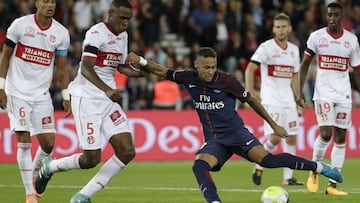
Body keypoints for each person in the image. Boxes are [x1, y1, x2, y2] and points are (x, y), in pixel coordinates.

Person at [127, 47, 343, 203]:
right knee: (199, 165)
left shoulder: (227, 81)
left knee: (268, 161)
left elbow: (252, 101)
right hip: (215, 140)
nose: (210, 71)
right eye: (205, 68)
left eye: (213, 67)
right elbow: (162, 71)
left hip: (237, 134)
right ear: (196, 66)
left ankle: (319, 167)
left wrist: (274, 125)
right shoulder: (188, 78)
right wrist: (142, 62)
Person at [34, 1, 149, 202]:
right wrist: (107, 89)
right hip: (86, 98)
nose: (126, 23)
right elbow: (86, 68)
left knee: (127, 151)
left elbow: (120, 66)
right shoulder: (96, 33)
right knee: (91, 159)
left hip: (106, 101)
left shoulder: (123, 36)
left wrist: (143, 73)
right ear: (110, 13)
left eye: (129, 19)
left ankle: (82, 196)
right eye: (122, 18)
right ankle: (49, 167)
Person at [0, 1, 71, 203]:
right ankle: (30, 193)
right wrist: (0, 86)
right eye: (45, 1)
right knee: (24, 142)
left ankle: (34, 174)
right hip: (17, 91)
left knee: (49, 144)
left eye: (53, 2)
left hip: (41, 94)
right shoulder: (20, 26)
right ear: (37, 3)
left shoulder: (61, 33)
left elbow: (62, 67)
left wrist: (66, 95)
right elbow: (5, 57)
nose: (50, 5)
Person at [298, 2, 360, 195]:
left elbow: (357, 70)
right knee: (326, 134)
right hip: (323, 93)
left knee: (341, 137)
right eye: (329, 15)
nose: (332, 18)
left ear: (342, 17)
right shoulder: (317, 37)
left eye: (335, 15)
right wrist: (299, 91)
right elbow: (305, 64)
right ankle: (314, 170)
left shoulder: (351, 40)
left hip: (343, 95)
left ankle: (333, 184)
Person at [245, 13, 303, 186]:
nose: (280, 30)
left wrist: (298, 97)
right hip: (271, 100)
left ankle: (288, 177)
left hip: (288, 101)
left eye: (283, 26)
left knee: (292, 137)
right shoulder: (266, 48)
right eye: (277, 27)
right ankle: (258, 163)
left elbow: (294, 76)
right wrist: (251, 92)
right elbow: (250, 69)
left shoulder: (294, 50)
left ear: (289, 28)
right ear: (273, 29)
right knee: (277, 137)